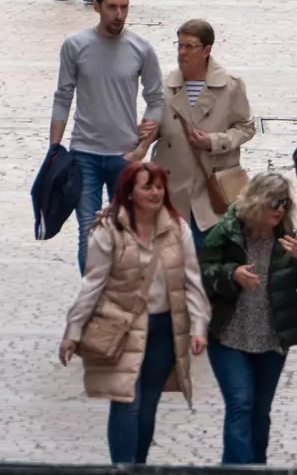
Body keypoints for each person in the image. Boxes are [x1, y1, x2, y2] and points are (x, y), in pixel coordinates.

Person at [61, 163, 211, 463]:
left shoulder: (176, 228)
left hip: (163, 329)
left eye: (159, 187)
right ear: (130, 193)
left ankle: (137, 465)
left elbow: (192, 280)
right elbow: (92, 283)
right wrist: (72, 331)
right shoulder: (108, 230)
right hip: (122, 326)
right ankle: (123, 467)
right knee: (125, 402)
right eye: (147, 187)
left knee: (147, 407)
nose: (156, 192)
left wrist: (198, 326)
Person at [199, 172, 297, 464]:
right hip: (229, 336)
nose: (280, 209)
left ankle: (254, 466)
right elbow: (201, 274)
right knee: (240, 404)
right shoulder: (228, 230)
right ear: (257, 201)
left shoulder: (289, 238)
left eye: (284, 202)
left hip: (271, 340)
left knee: (259, 413)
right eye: (273, 202)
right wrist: (232, 274)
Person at [50, 0, 164, 269]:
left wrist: (143, 143)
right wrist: (54, 148)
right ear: (97, 7)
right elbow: (63, 96)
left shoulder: (141, 49)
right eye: (112, 7)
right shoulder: (75, 45)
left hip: (124, 155)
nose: (119, 15)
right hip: (84, 152)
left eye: (124, 7)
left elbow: (156, 98)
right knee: (88, 230)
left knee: (125, 231)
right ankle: (94, 299)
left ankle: (121, 295)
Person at [146, 19, 256, 235]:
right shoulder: (165, 86)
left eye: (190, 46)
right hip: (172, 188)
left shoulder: (230, 86)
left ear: (207, 50)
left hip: (210, 188)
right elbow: (155, 127)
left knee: (206, 260)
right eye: (179, 45)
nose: (182, 52)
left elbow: (246, 127)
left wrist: (213, 141)